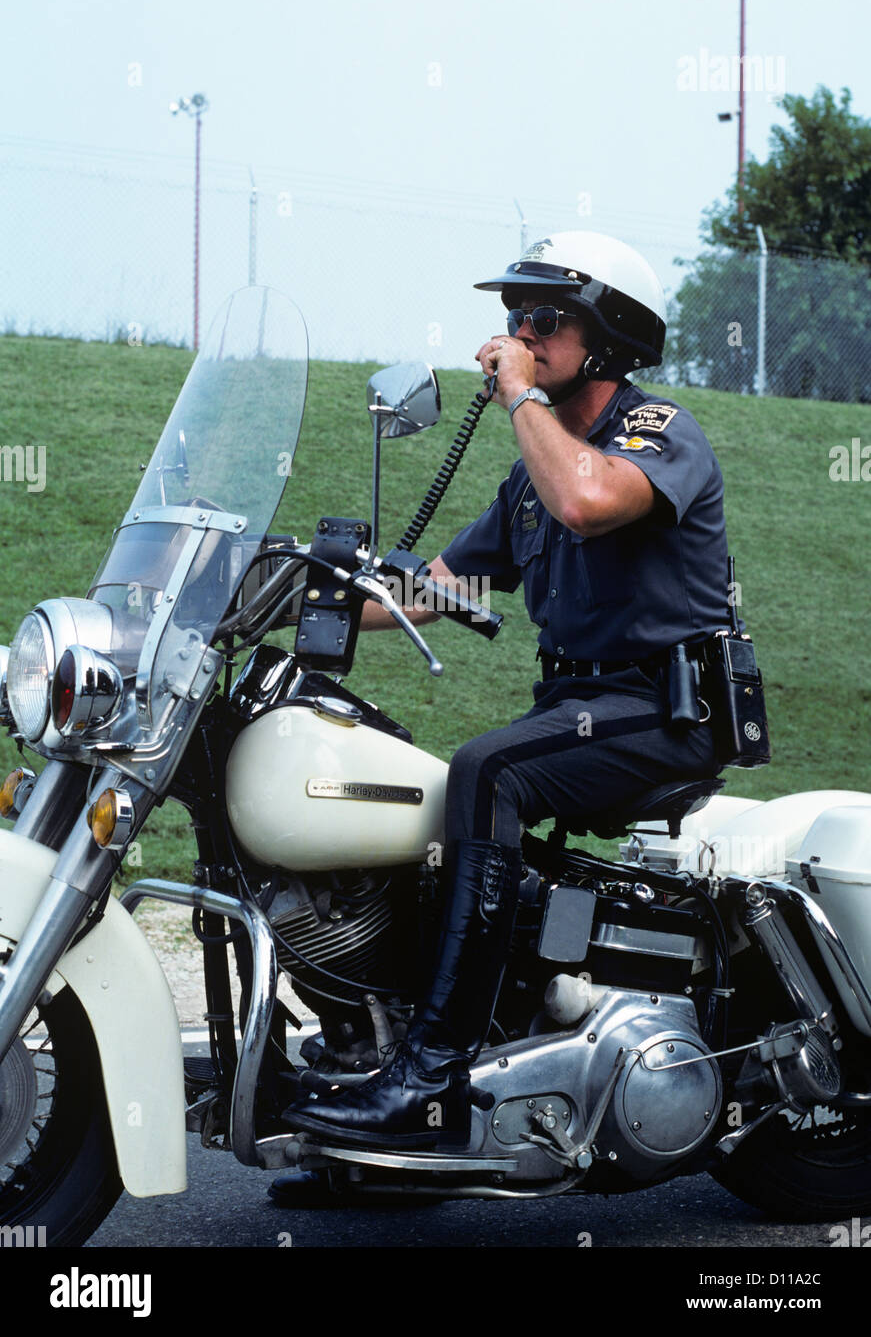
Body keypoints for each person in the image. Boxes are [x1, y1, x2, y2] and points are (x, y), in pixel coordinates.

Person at [282, 229, 729, 1153]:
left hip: (664, 710)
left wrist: (521, 393)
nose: (518, 336)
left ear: (607, 335)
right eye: (512, 319)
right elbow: (436, 592)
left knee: (485, 773)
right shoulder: (529, 482)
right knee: (385, 780)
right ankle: (377, 1061)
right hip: (577, 711)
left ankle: (430, 1080)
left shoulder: (655, 432)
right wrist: (281, 590)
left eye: (546, 321)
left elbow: (588, 502)